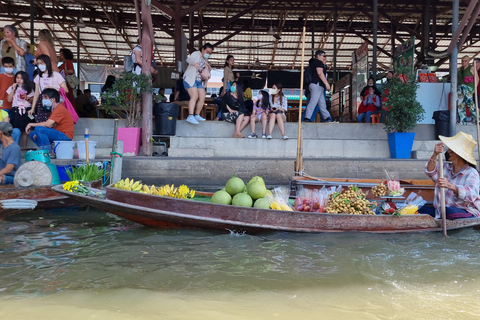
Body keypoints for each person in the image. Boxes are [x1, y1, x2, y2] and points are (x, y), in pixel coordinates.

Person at [419, 132, 480, 219]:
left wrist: (450, 186)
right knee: (418, 209)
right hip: (440, 210)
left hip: (465, 210)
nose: (448, 152)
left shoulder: (471, 172)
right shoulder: (445, 167)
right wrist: (435, 154)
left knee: (448, 212)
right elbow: (431, 172)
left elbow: (471, 194)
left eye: (451, 150)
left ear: (457, 153)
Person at [26, 88, 74, 154]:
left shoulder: (59, 108)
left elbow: (48, 124)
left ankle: (47, 152)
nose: (43, 100)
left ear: (53, 99)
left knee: (39, 129)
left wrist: (30, 124)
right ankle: (48, 151)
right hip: (59, 133)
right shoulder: (55, 108)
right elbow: (50, 125)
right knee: (33, 134)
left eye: (45, 98)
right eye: (43, 98)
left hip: (65, 136)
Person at [29, 54, 69, 122]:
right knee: (42, 123)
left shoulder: (56, 75)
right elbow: (36, 93)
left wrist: (54, 88)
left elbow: (66, 90)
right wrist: (32, 108)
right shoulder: (38, 77)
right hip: (42, 103)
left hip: (54, 102)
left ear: (47, 63)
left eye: (42, 63)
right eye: (38, 64)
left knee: (54, 123)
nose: (40, 65)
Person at [183, 43, 214, 124]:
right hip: (190, 79)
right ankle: (190, 116)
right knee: (194, 96)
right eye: (207, 52)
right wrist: (195, 62)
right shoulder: (196, 54)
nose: (208, 54)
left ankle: (197, 115)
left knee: (202, 97)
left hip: (199, 81)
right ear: (202, 49)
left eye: (210, 53)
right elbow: (188, 59)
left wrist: (208, 68)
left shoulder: (205, 60)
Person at [6, 71, 34, 148]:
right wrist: (13, 89)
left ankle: (24, 148)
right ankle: (15, 146)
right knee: (16, 129)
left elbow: (32, 100)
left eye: (21, 78)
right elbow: (9, 100)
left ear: (25, 79)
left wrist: (27, 97)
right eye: (17, 78)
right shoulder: (12, 87)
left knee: (25, 130)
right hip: (16, 109)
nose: (19, 80)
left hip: (26, 109)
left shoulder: (29, 88)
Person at [304, 50, 332, 123]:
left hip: (314, 85)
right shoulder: (318, 62)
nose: (325, 58)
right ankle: (307, 117)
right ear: (318, 56)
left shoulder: (312, 64)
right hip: (317, 84)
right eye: (324, 56)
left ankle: (327, 117)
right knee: (313, 102)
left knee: (322, 103)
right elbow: (320, 73)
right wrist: (326, 83)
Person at [457, 55, 476, 124]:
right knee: (460, 105)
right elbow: (457, 79)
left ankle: (477, 120)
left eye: (465, 61)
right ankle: (462, 121)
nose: (464, 62)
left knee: (470, 104)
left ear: (468, 61)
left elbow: (476, 78)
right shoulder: (459, 69)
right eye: (462, 61)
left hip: (468, 87)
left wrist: (474, 88)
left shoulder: (471, 68)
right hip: (460, 87)